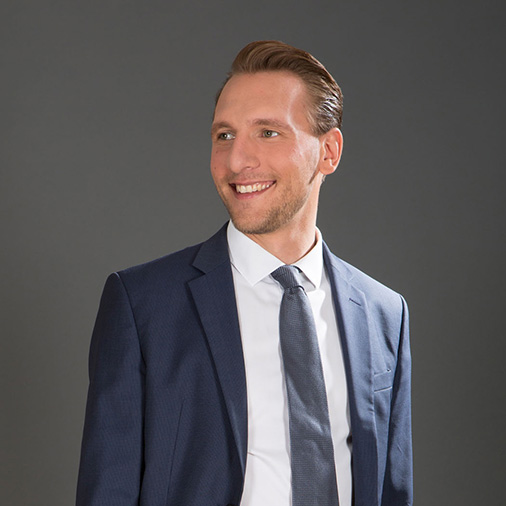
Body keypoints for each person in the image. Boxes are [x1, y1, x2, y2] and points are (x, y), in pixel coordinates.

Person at [76, 40, 412, 506]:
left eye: (268, 133)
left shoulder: (383, 314)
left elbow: (392, 490)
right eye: (224, 135)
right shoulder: (142, 306)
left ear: (329, 152)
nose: (236, 161)